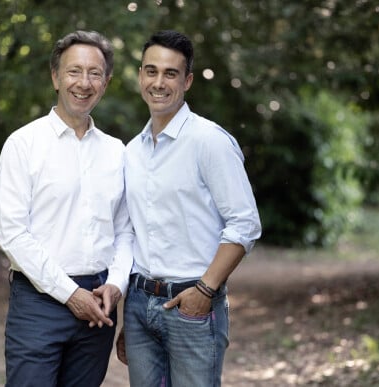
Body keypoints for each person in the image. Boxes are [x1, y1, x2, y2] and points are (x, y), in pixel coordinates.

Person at [117, 30, 262, 387]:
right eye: (151, 71)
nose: (159, 82)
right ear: (140, 76)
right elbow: (130, 231)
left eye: (170, 73)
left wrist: (205, 291)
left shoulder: (209, 141)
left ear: (188, 80)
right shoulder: (131, 151)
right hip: (139, 304)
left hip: (193, 304)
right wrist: (131, 308)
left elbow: (244, 224)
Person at [0, 30, 133, 387]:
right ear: (55, 77)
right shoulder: (23, 144)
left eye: (94, 73)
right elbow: (11, 232)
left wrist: (116, 285)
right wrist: (69, 293)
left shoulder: (118, 152)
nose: (83, 83)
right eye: (74, 71)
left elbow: (126, 231)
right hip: (39, 302)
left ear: (106, 82)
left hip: (100, 307)